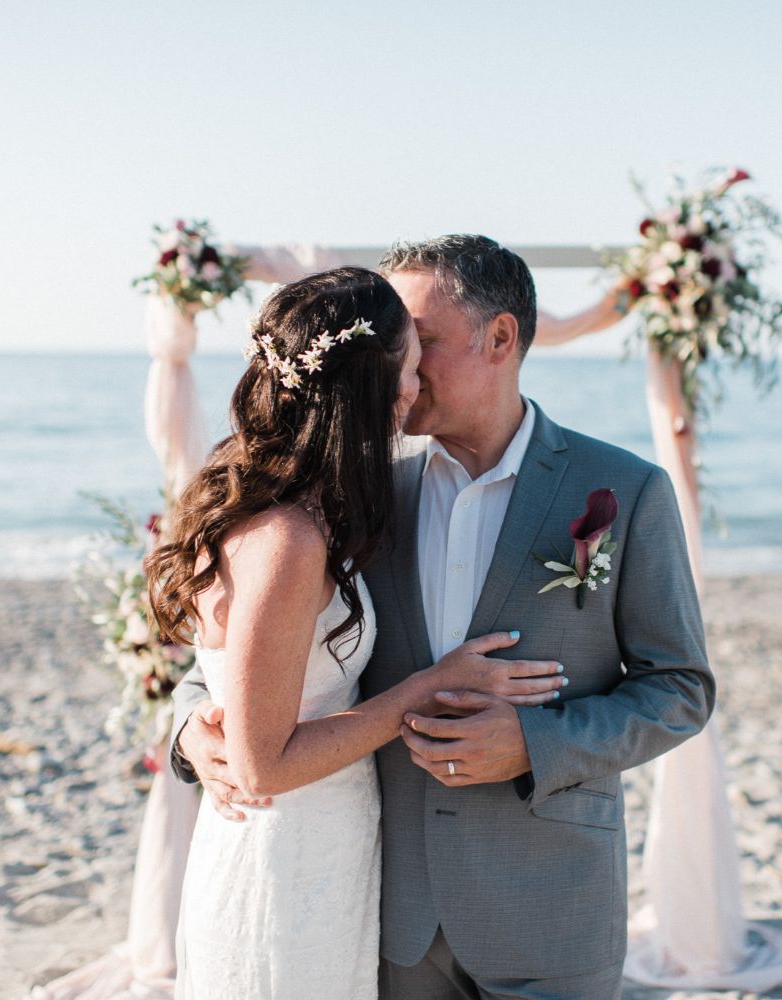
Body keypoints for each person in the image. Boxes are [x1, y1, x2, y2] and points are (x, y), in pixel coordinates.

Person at [170, 237, 714, 1000]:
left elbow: (680, 688)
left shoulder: (625, 490)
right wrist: (192, 729)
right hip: (387, 920)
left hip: (548, 911)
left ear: (500, 339)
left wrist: (535, 743)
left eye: (419, 341)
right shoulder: (359, 497)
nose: (403, 368)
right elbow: (230, 659)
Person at [145, 266, 568, 1000]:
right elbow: (262, 767)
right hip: (285, 855)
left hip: (324, 852)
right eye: (408, 365)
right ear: (369, 386)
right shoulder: (289, 540)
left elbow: (242, 680)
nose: (416, 384)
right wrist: (427, 685)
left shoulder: (310, 511)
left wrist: (192, 731)